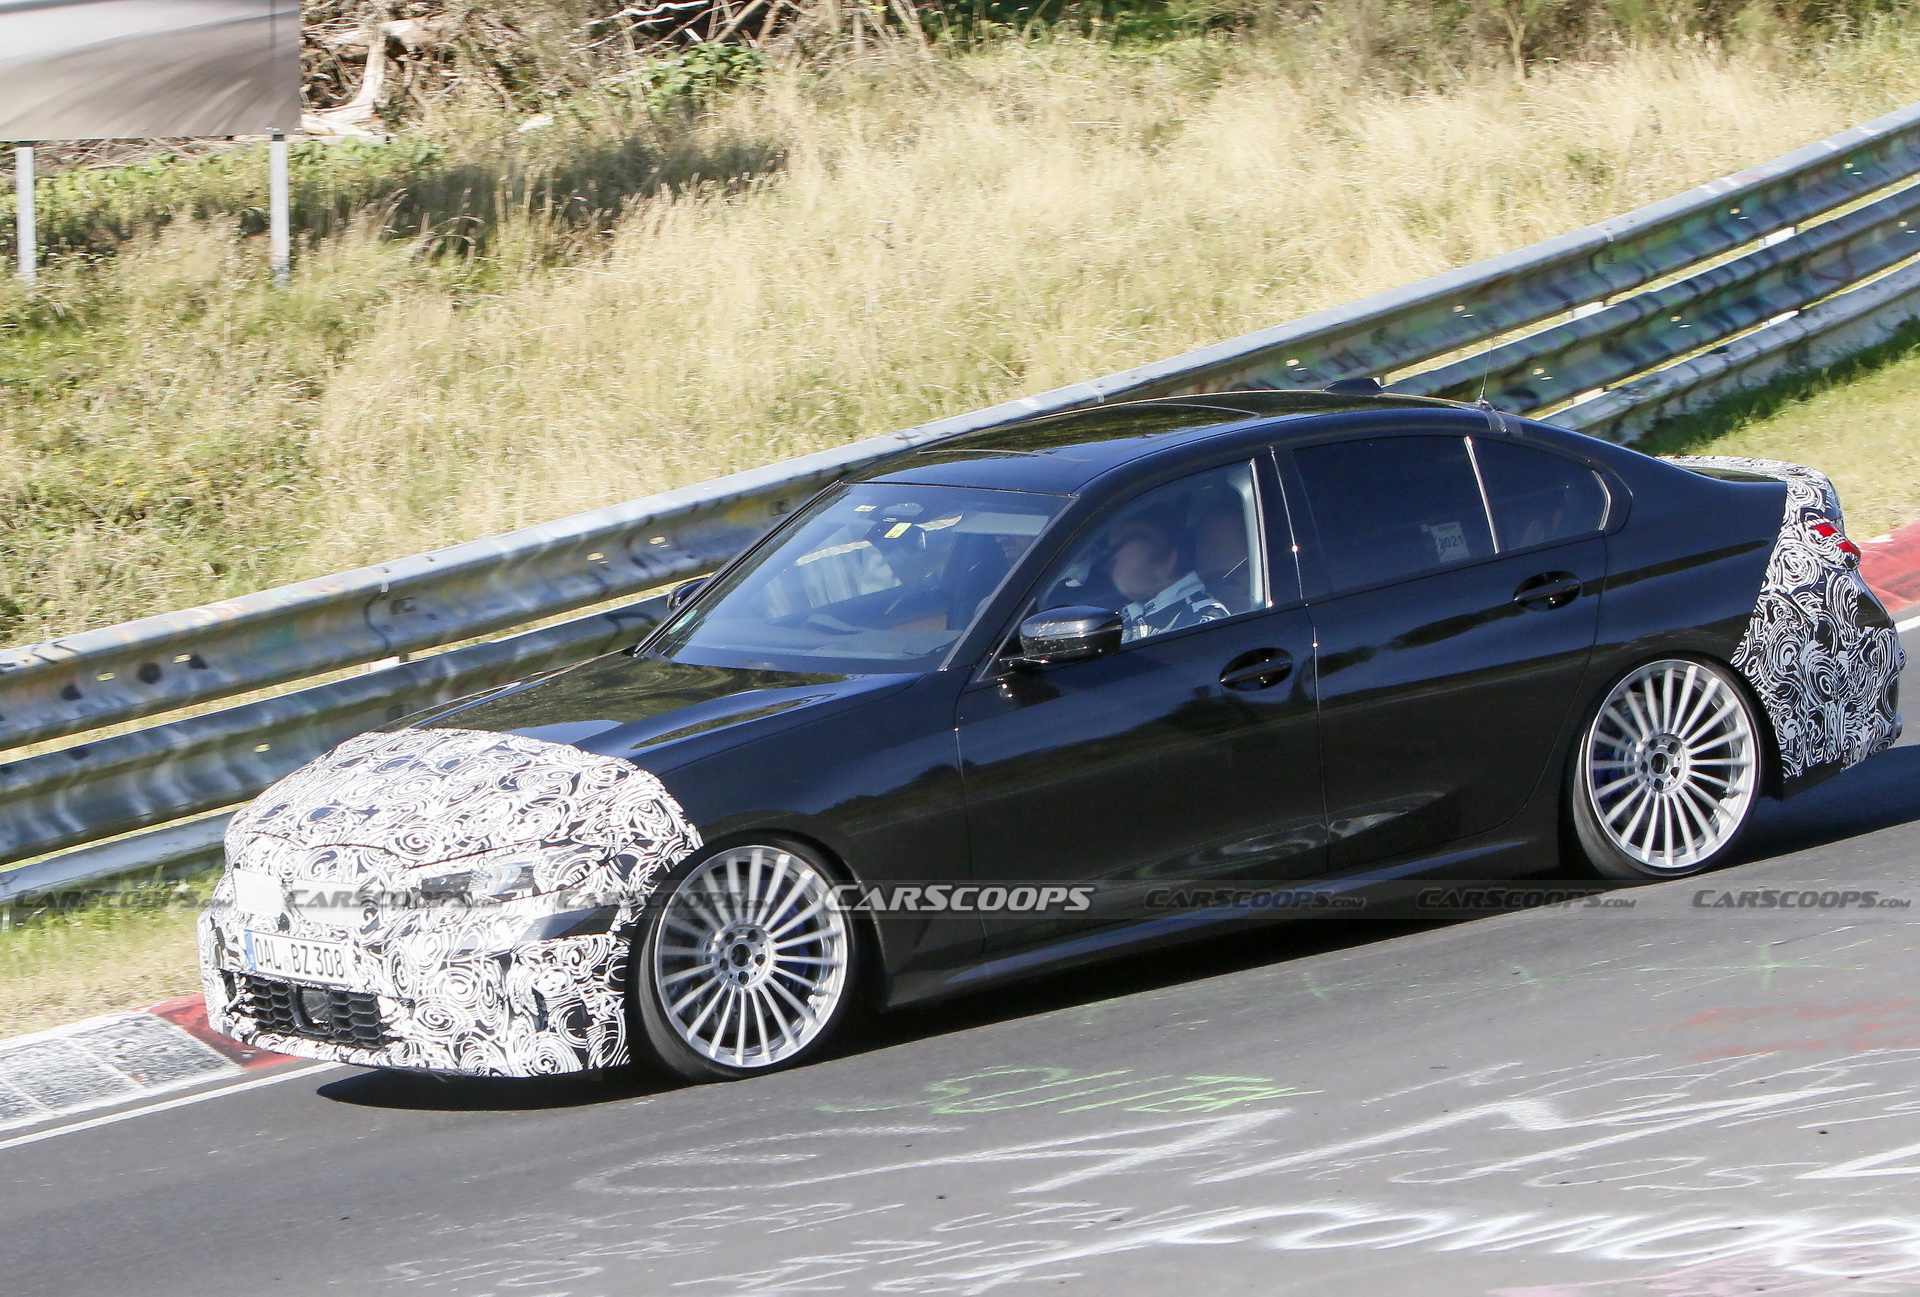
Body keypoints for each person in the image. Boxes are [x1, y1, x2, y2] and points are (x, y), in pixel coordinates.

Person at [1101, 511, 1231, 642]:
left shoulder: (1202, 621)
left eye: (1122, 553)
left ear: (1165, 561)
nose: (1112, 562)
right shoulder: (1124, 612)